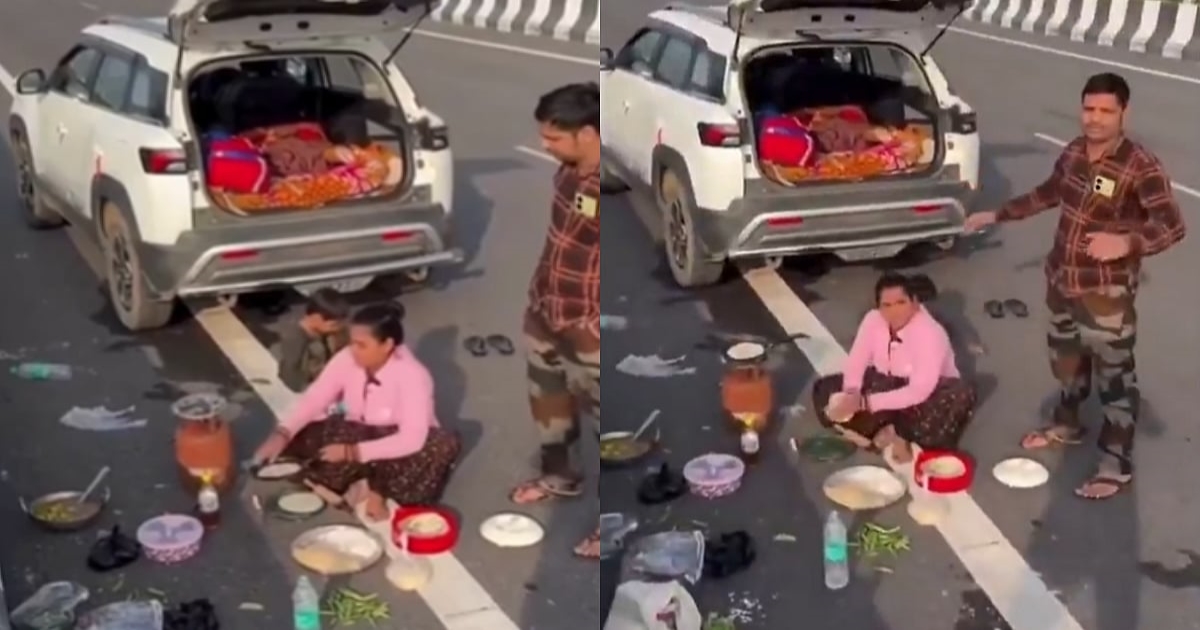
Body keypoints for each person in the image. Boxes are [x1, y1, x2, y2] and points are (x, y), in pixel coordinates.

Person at [963, 73, 1185, 500]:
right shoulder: (1074, 152)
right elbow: (1048, 193)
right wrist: (998, 215)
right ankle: (1067, 424)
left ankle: (1114, 462)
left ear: (1124, 113)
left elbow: (1172, 226)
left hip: (1107, 294)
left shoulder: (1140, 164)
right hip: (1062, 282)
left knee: (1114, 378)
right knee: (1067, 363)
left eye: (1106, 111)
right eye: (1089, 109)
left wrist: (1125, 242)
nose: (1095, 119)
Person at [505, 83, 601, 560]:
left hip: (588, 323)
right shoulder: (567, 174)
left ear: (587, 133)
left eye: (555, 138)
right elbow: (559, 238)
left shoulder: (609, 182)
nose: (546, 146)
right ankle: (559, 477)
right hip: (547, 309)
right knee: (549, 403)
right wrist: (537, 296)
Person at [253, 303, 461, 521]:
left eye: (362, 345)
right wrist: (282, 434)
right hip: (356, 431)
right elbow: (316, 397)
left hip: (396, 447)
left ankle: (377, 491)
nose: (353, 350)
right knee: (301, 437)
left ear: (387, 345)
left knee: (440, 446)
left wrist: (352, 452)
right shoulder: (347, 358)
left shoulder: (414, 376)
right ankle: (357, 481)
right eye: (352, 342)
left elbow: (411, 439)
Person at [812, 273, 977, 463]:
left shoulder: (930, 333)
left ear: (914, 303)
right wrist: (851, 393)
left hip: (928, 394)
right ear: (879, 308)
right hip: (887, 383)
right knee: (825, 388)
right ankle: (879, 429)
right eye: (886, 306)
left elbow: (919, 390)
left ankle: (896, 434)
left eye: (901, 303)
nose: (894, 311)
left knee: (959, 397)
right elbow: (857, 360)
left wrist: (865, 403)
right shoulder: (872, 320)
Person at [277, 288, 350, 392]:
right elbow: (291, 373)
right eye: (333, 325)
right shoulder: (295, 338)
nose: (337, 328)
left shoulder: (332, 332)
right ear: (316, 317)